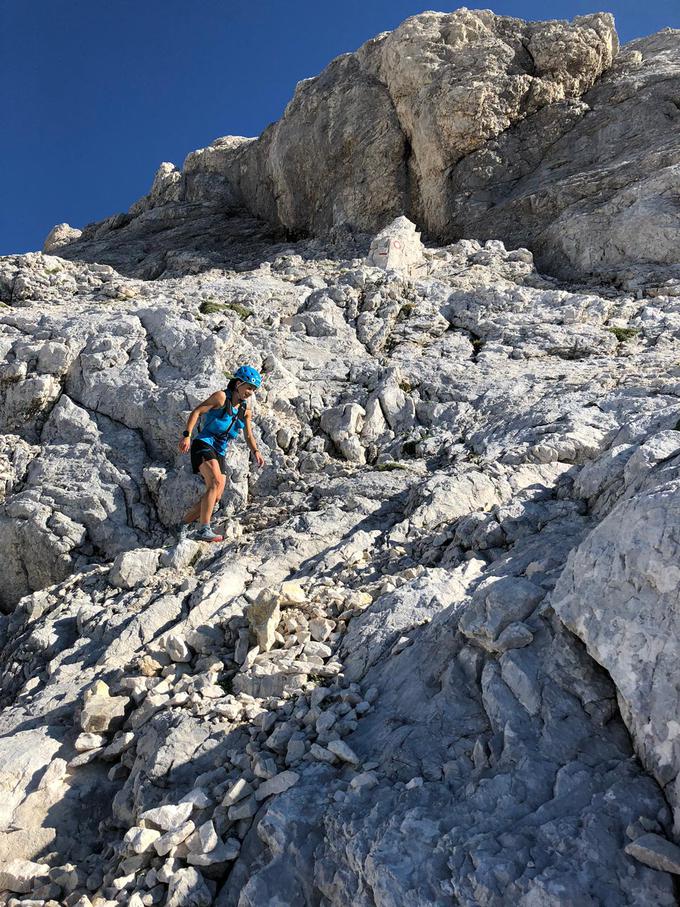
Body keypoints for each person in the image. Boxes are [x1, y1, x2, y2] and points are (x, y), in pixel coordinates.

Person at [178, 365, 265, 542]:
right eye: (249, 387)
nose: (250, 392)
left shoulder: (245, 410)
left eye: (253, 389)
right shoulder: (221, 397)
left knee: (216, 495)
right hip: (203, 444)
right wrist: (186, 435)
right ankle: (204, 529)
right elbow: (197, 411)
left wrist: (255, 451)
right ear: (238, 383)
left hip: (220, 451)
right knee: (215, 481)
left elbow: (248, 434)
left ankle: (183, 525)